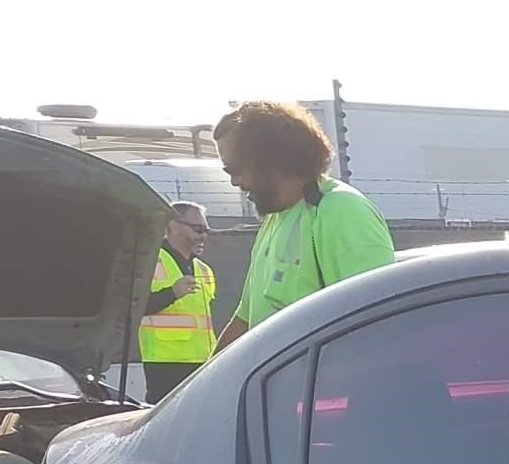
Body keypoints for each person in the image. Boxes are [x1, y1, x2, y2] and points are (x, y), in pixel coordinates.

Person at [211, 100, 395, 348]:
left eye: (235, 169)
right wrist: (202, 381)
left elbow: (375, 327)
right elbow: (245, 320)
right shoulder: (275, 219)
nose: (234, 182)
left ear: (271, 159)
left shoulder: (341, 211)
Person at [139, 202, 217, 402]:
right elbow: (134, 307)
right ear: (172, 225)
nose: (203, 235)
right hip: (165, 362)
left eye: (206, 230)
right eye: (198, 229)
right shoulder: (149, 262)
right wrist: (172, 293)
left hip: (204, 361)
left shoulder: (204, 270)